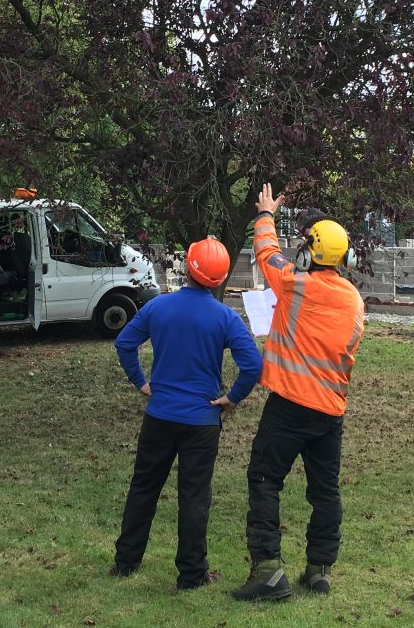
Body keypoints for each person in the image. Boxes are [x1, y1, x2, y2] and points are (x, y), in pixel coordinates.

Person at [232, 184, 365, 601]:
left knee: (265, 479)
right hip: (330, 412)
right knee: (325, 490)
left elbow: (267, 255)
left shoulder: (295, 284)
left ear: (307, 254)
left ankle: (269, 571)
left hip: (289, 406)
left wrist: (266, 214)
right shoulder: (355, 301)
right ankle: (320, 568)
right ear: (346, 258)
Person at [111, 236, 263, 591]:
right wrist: (232, 398)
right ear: (221, 275)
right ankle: (192, 575)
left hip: (160, 415)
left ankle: (125, 562)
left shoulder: (158, 307)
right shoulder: (225, 317)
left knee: (144, 488)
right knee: (194, 497)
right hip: (202, 422)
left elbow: (124, 343)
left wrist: (141, 382)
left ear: (187, 268)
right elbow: (253, 365)